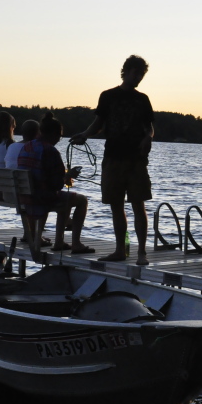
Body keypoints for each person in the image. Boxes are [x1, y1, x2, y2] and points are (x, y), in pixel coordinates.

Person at [69, 55, 154, 265]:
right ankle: (120, 250)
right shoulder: (107, 96)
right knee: (116, 205)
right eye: (136, 73)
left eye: (142, 75)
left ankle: (141, 252)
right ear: (125, 72)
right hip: (113, 158)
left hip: (136, 159)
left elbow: (149, 128)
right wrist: (84, 135)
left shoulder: (142, 99)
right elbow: (98, 123)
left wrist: (148, 138)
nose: (139, 78)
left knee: (138, 204)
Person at [17, 112, 93, 255]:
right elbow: (56, 185)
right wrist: (69, 176)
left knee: (65, 198)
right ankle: (75, 243)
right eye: (60, 135)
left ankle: (59, 242)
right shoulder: (50, 150)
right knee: (81, 200)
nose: (59, 139)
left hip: (25, 196)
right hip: (41, 198)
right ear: (53, 134)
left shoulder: (27, 146)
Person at [6, 119, 45, 245]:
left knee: (29, 188)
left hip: (8, 192)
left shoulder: (12, 146)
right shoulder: (33, 149)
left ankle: (28, 233)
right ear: (38, 133)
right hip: (24, 195)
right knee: (42, 193)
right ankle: (35, 236)